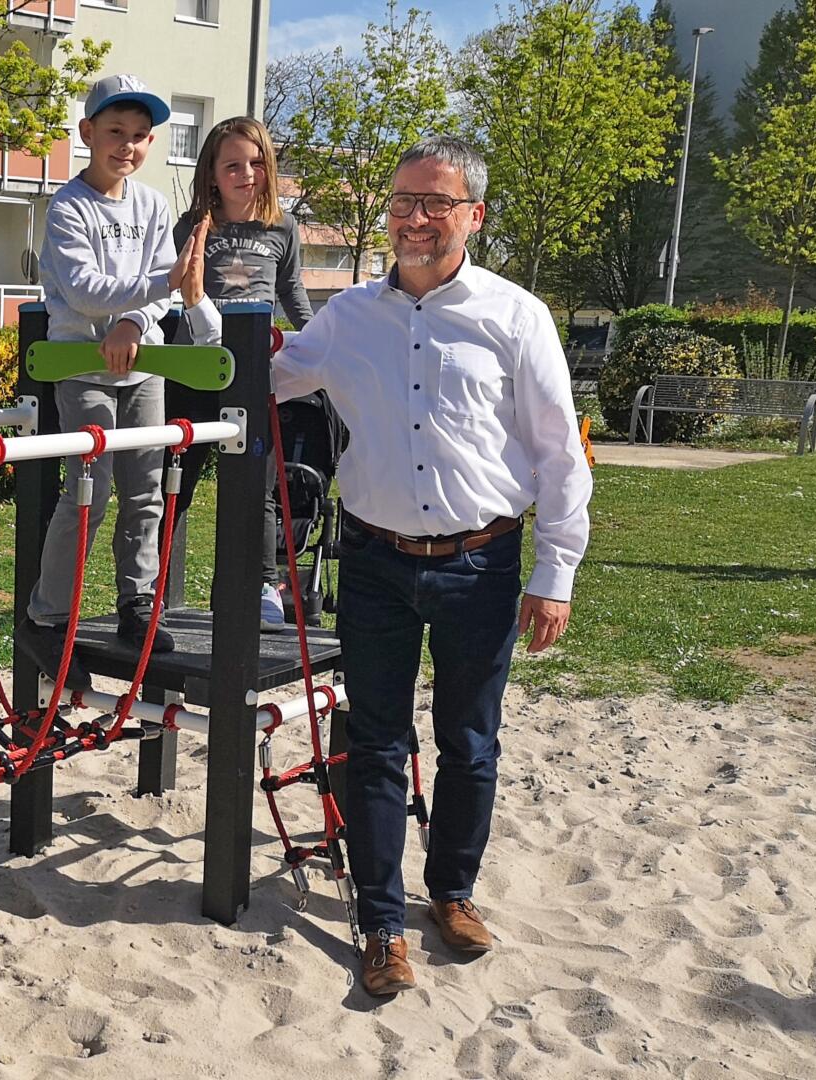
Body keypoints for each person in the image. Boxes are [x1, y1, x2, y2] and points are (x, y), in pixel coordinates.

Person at [188, 136, 591, 995]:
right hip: (373, 560)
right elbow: (260, 378)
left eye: (434, 203)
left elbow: (561, 455)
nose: (413, 218)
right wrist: (186, 311)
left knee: (469, 743)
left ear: (473, 216)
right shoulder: (347, 320)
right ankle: (379, 922)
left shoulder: (516, 316)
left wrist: (554, 574)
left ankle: (450, 893)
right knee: (372, 744)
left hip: (481, 564)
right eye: (403, 202)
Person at [17, 72, 210, 688]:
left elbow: (152, 294)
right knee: (88, 495)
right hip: (83, 368)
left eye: (140, 136)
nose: (127, 145)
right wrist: (159, 288)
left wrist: (133, 320)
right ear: (87, 133)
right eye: (115, 132)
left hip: (142, 366)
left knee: (146, 492)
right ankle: (48, 618)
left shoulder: (152, 205)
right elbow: (81, 289)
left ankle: (138, 603)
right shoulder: (69, 206)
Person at [172, 115, 316, 625]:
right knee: (178, 477)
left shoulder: (282, 226)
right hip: (196, 367)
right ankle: (161, 587)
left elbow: (291, 290)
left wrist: (318, 340)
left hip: (256, 370)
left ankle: (256, 586)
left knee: (257, 482)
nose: (247, 173)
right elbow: (181, 291)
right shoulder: (193, 226)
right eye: (233, 164)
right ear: (212, 173)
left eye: (257, 163)